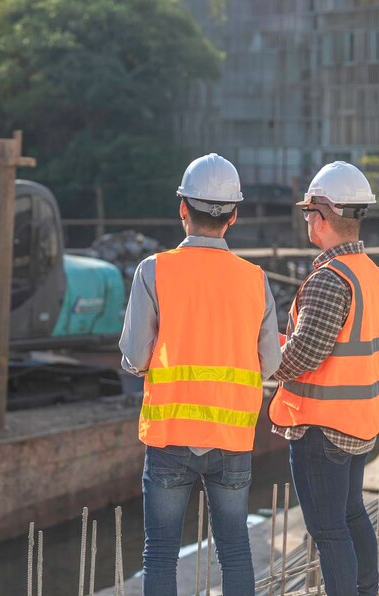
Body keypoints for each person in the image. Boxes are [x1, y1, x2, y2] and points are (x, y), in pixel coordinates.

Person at [120, 153, 281, 596]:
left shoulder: (153, 271)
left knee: (160, 554)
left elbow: (134, 356)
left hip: (171, 434)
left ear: (183, 210)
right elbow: (271, 363)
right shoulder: (255, 278)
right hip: (231, 437)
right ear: (234, 216)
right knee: (234, 552)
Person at [269, 161, 379, 596]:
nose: (306, 220)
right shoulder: (373, 275)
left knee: (328, 530)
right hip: (358, 420)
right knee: (351, 514)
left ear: (321, 215)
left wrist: (258, 353)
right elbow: (335, 345)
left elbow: (299, 358)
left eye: (307, 212)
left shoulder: (328, 279)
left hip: (322, 426)